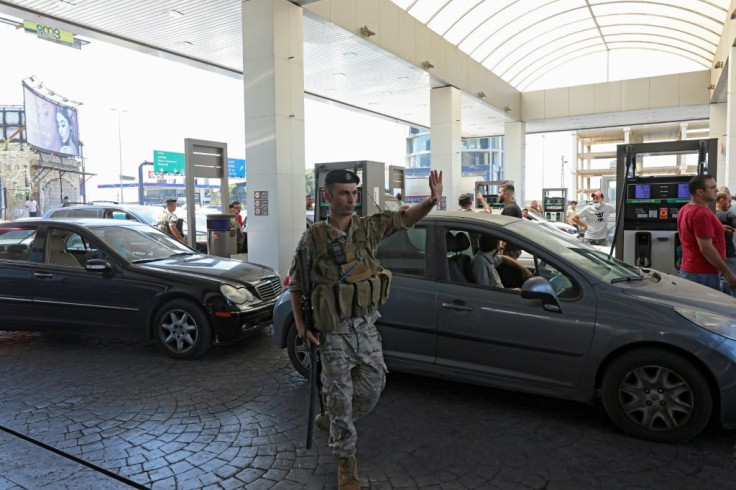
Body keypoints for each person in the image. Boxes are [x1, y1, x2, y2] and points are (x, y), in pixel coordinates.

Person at [289, 168, 442, 490]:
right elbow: (298, 287)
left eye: (355, 193)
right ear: (328, 197)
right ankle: (346, 460)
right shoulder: (313, 238)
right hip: (333, 333)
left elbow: (404, 219)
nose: (351, 199)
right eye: (344, 193)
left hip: (366, 327)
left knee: (373, 388)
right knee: (341, 395)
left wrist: (431, 200)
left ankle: (332, 417)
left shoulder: (368, 228)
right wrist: (303, 328)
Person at [677, 174, 736, 291]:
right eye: (712, 187)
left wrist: (717, 227)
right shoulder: (702, 214)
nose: (717, 190)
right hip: (703, 274)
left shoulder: (685, 209)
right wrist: (728, 274)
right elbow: (706, 249)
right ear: (700, 192)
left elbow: (693, 232)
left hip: (690, 270)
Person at [715, 190, 736, 296]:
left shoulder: (711, 214)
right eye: (729, 201)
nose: (730, 204)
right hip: (728, 253)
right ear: (721, 200)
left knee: (721, 279)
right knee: (730, 280)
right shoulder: (728, 215)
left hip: (715, 254)